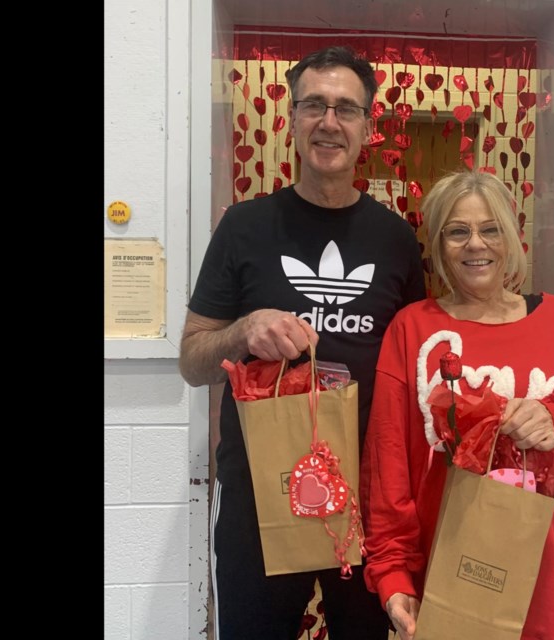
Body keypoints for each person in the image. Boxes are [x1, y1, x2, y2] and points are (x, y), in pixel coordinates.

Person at [179, 45, 427, 640]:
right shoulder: (244, 226)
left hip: (365, 499)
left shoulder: (396, 240)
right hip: (260, 498)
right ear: (291, 119)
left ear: (368, 126)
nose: (328, 121)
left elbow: (416, 364)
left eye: (345, 108)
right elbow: (191, 360)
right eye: (313, 105)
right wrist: (241, 332)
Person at [360, 170, 554, 640]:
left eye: (490, 228)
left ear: (512, 238)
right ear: (438, 246)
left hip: (546, 583)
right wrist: (392, 573)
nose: (475, 244)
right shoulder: (411, 329)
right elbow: (387, 465)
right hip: (444, 585)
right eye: (457, 231)